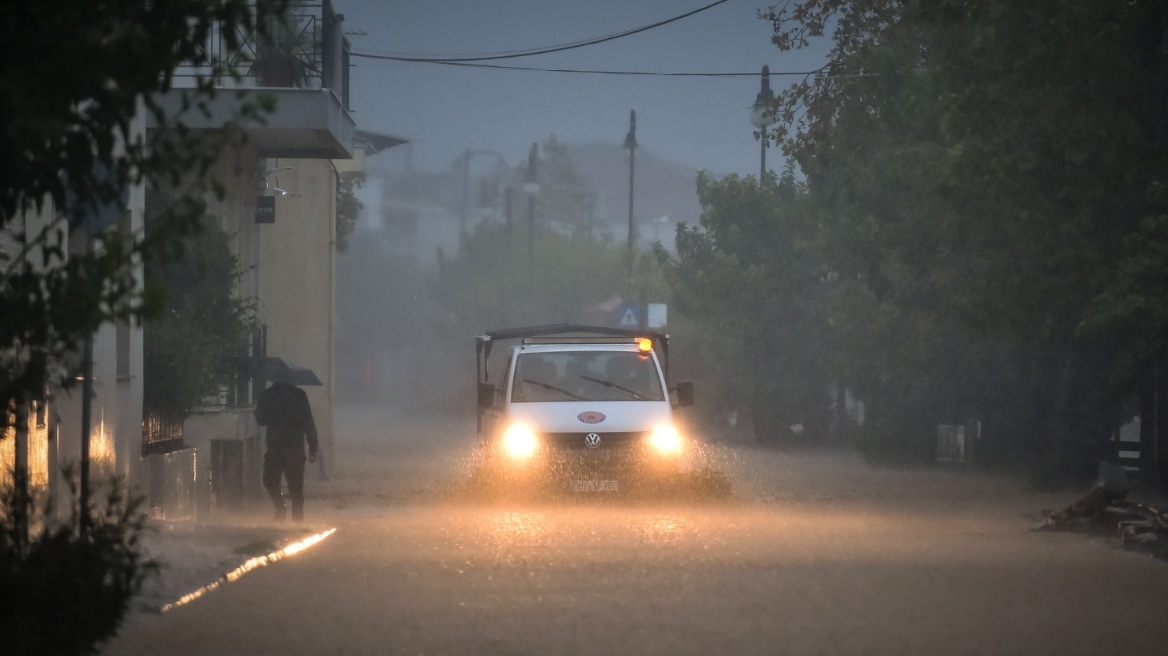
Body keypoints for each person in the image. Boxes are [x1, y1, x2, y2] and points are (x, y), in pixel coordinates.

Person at [254, 381, 318, 521]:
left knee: (276, 481)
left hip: (283, 447)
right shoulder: (297, 395)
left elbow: (260, 419)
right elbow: (308, 422)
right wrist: (313, 446)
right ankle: (293, 517)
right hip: (287, 447)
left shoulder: (269, 395)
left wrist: (313, 446)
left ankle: (285, 510)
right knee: (287, 484)